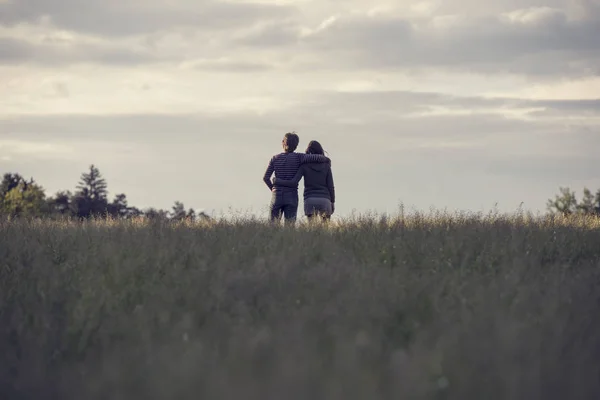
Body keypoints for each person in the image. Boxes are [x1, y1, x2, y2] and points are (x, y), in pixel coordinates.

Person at [263, 132, 330, 224]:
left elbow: (266, 178)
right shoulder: (299, 157)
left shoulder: (275, 158)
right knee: (290, 226)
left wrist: (273, 189)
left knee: (273, 225)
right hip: (291, 195)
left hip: (277, 195)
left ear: (283, 143)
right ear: (296, 145)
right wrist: (325, 159)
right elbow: (317, 157)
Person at [274, 140, 335, 222]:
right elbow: (330, 186)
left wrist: (278, 181)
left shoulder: (304, 166)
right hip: (325, 199)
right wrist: (332, 202)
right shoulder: (326, 166)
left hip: (309, 199)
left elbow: (293, 182)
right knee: (325, 229)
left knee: (311, 229)